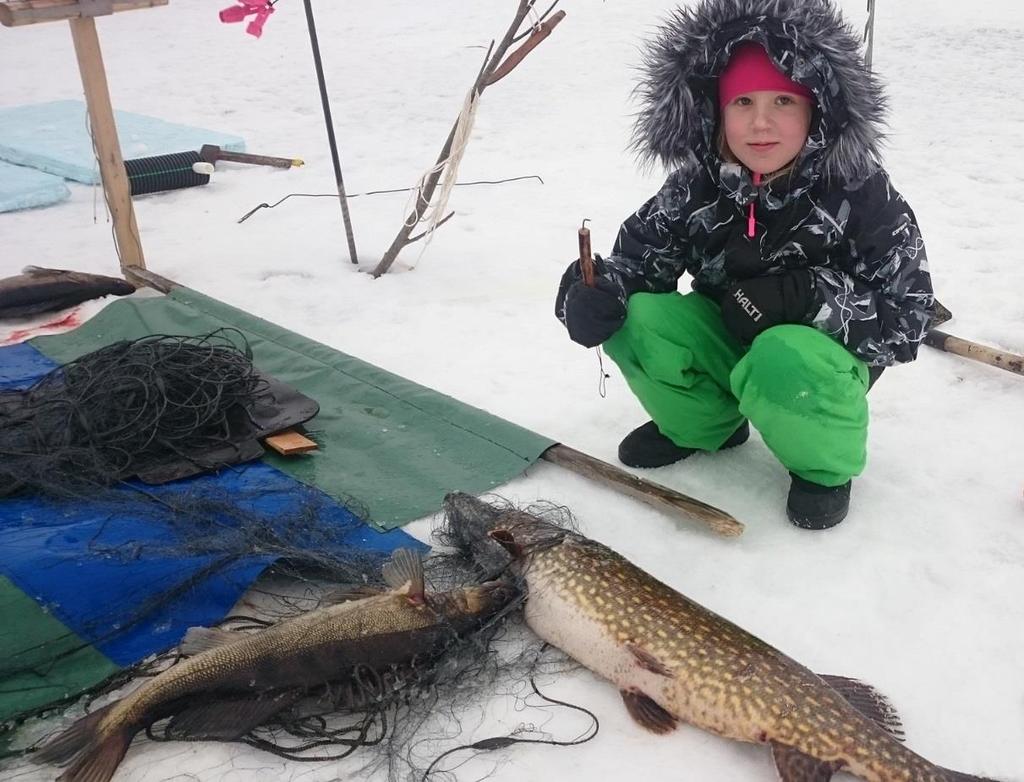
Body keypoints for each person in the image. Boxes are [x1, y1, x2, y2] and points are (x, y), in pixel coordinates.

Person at [555, 0, 933, 530]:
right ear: (716, 110)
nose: (760, 122)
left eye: (783, 100)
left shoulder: (860, 191)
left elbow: (908, 317)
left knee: (783, 353)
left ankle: (821, 465)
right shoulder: (696, 183)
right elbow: (638, 266)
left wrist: (806, 296)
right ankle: (704, 424)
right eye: (742, 102)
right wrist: (591, 290)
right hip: (726, 334)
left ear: (817, 109)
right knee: (636, 318)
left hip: (812, 362)